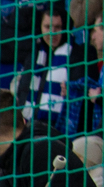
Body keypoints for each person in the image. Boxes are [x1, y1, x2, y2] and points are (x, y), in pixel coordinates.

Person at [14, 7, 85, 137]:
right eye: (47, 27)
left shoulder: (77, 55)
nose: (52, 33)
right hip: (30, 128)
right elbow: (23, 91)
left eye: (57, 27)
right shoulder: (34, 54)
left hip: (59, 131)